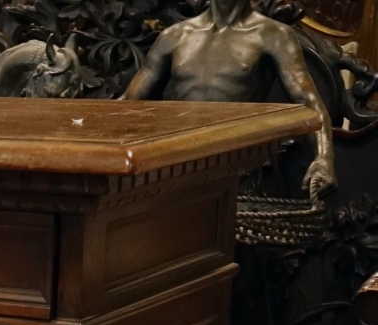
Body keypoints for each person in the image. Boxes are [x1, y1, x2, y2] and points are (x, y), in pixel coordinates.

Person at [122, 0, 335, 196]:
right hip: (175, 170)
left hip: (237, 175)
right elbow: (127, 104)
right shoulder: (175, 36)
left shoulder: (273, 34)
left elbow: (308, 101)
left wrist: (325, 157)